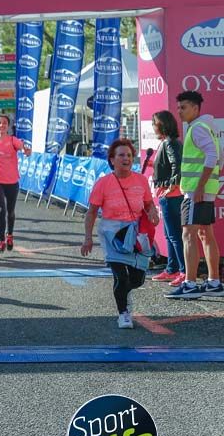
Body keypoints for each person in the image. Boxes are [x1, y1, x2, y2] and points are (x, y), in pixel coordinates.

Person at [82, 139, 160, 328]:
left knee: (137, 279)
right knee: (121, 276)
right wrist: (88, 239)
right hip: (112, 234)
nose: (126, 158)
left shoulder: (141, 180)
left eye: (129, 155)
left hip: (135, 233)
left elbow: (149, 205)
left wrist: (153, 214)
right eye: (121, 155)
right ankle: (123, 313)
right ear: (112, 159)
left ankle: (124, 293)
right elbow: (91, 212)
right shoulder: (103, 183)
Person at [167, 90, 223, 299]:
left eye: (184, 107)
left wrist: (199, 186)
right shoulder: (208, 126)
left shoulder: (197, 128)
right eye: (179, 107)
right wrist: (208, 185)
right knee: (205, 234)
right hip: (205, 191)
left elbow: (213, 155)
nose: (179, 111)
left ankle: (190, 284)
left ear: (196, 109)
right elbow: (219, 155)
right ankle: (214, 282)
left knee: (188, 234)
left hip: (195, 192)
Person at [0, 114, 31, 253]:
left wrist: (26, 150)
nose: (1, 125)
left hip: (12, 180)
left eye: (4, 123)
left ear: (8, 126)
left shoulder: (12, 140)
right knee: (1, 210)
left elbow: (23, 148)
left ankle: (10, 235)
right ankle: (1, 241)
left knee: (10, 211)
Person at [150, 111, 186, 286]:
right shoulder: (167, 142)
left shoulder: (170, 143)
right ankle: (172, 269)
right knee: (170, 234)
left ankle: (183, 271)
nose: (153, 127)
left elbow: (176, 164)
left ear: (162, 125)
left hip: (172, 196)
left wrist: (171, 186)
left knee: (174, 236)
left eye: (154, 124)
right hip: (168, 195)